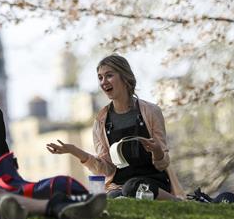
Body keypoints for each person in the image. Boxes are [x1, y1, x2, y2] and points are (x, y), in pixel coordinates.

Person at [46, 54, 184, 200]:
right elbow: (106, 169)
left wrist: (157, 150)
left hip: (153, 183)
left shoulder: (151, 111)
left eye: (109, 76)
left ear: (125, 77)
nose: (103, 82)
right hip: (120, 187)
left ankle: (175, 201)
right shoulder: (101, 121)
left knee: (132, 187)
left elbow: (163, 164)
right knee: (113, 196)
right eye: (100, 78)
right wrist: (74, 150)